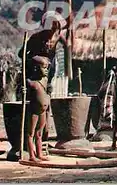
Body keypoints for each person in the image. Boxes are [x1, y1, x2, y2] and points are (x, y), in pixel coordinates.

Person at [18, 11, 71, 141]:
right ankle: (30, 140)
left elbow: (65, 57)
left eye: (56, 25)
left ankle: (43, 139)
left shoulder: (60, 40)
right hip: (35, 76)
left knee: (46, 107)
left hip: (50, 76)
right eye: (51, 24)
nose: (53, 28)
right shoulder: (37, 37)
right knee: (36, 107)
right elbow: (22, 54)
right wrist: (38, 59)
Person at [24, 56, 51, 162]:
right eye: (44, 68)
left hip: (43, 111)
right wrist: (23, 91)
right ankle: (31, 155)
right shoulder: (30, 82)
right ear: (36, 68)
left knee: (39, 133)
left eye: (47, 68)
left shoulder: (45, 80)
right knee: (30, 133)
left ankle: (39, 154)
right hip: (34, 110)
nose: (46, 70)